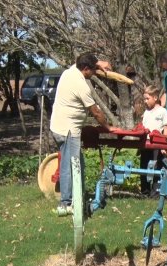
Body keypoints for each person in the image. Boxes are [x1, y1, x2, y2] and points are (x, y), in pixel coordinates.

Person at [50, 53, 118, 213]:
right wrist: (108, 128)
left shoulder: (71, 71)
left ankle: (77, 196)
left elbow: (82, 61)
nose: (95, 73)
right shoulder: (80, 85)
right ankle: (66, 203)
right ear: (86, 69)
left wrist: (98, 62)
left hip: (59, 126)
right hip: (68, 130)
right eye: (93, 70)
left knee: (77, 163)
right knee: (70, 166)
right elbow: (96, 112)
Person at [140, 85, 167, 195]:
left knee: (158, 166)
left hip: (157, 143)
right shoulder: (146, 112)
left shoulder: (162, 111)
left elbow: (165, 129)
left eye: (147, 98)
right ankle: (145, 190)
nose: (145, 101)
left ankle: (156, 191)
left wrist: (164, 145)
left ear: (155, 98)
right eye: (144, 99)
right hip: (146, 143)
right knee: (143, 164)